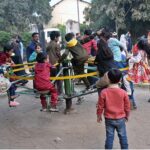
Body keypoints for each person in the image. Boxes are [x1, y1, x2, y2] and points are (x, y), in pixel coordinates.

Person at [97, 69, 130, 149]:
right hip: (121, 118)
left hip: (109, 118)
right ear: (120, 79)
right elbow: (127, 106)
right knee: (123, 136)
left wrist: (99, 116)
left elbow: (100, 106)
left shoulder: (104, 92)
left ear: (108, 79)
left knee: (109, 137)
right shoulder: (123, 92)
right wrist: (127, 115)